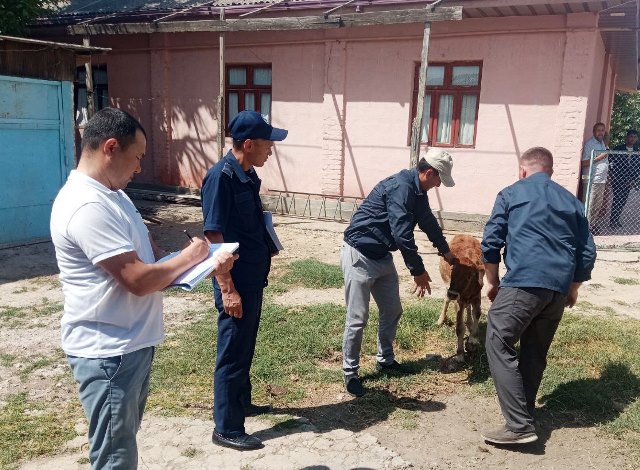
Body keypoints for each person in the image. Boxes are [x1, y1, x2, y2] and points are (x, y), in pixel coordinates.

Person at [50, 107, 236, 469]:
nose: (139, 168)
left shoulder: (115, 196)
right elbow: (137, 279)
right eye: (136, 158)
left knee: (123, 445)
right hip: (107, 352)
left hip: (131, 344)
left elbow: (152, 263)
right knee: (115, 457)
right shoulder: (86, 204)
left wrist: (206, 265)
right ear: (110, 147)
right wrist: (190, 255)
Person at [480, 147, 596, 445]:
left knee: (498, 338)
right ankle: (525, 414)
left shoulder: (510, 194)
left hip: (524, 282)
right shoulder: (571, 201)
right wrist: (572, 288)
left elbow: (491, 242)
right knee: (533, 350)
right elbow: (586, 252)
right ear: (551, 172)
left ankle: (518, 426)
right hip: (556, 290)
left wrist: (491, 282)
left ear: (522, 170)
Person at [201, 110, 287, 451]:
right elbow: (213, 235)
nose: (272, 150)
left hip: (252, 277)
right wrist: (227, 289)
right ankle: (227, 427)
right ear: (249, 144)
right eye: (268, 144)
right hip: (235, 282)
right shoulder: (221, 177)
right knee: (233, 352)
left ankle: (242, 403)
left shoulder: (247, 175)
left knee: (245, 346)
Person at [341, 148, 457, 398]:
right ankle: (350, 373)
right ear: (428, 173)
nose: (438, 185)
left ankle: (385, 360)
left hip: (382, 255)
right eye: (438, 179)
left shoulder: (418, 191)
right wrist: (418, 271)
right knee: (358, 317)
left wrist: (446, 251)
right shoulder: (401, 188)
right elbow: (402, 234)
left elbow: (427, 222)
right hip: (359, 253)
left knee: (393, 310)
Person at [581, 122, 609, 231]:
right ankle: (585, 227)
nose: (601, 132)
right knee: (589, 204)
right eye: (598, 130)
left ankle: (591, 226)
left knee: (597, 206)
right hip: (591, 180)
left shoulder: (603, 144)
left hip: (601, 180)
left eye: (602, 130)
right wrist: (600, 157)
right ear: (594, 132)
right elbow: (583, 163)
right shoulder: (590, 144)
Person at [609, 129, 639, 228]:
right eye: (631, 136)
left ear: (637, 139)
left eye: (634, 137)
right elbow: (610, 162)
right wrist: (612, 175)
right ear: (627, 137)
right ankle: (612, 221)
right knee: (617, 199)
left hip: (629, 181)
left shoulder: (637, 151)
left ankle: (616, 220)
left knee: (623, 201)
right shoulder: (619, 148)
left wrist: (633, 180)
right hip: (618, 179)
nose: (632, 139)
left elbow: (638, 167)